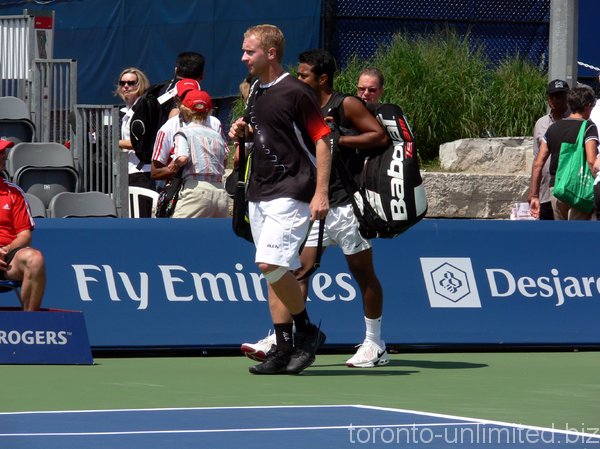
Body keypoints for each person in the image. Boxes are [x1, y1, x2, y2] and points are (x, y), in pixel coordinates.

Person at [241, 49, 390, 368]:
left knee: (362, 274)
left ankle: (375, 344)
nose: (299, 79)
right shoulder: (299, 103)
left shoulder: (345, 103)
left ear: (322, 79)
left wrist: (341, 140)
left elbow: (379, 136)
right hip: (312, 204)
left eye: (305, 74)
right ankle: (286, 337)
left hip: (345, 205)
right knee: (295, 270)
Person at [229, 24, 331, 375]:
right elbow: (263, 129)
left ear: (270, 53)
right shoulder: (256, 90)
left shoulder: (297, 92)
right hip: (259, 192)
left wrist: (320, 192)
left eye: (249, 51)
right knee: (276, 271)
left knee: (270, 265)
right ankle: (283, 347)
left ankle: (306, 331)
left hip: (292, 191)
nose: (243, 57)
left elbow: (322, 139)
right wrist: (241, 129)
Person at [529, 84, 599, 220]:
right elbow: (591, 161)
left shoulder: (553, 128)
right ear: (587, 106)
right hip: (579, 188)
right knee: (578, 234)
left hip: (556, 189)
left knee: (561, 234)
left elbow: (538, 164)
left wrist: (535, 195)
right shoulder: (588, 127)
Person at [0, 139, 46, 311]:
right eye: (0, 153)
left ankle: (29, 325)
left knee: (35, 259)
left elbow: (24, 235)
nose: (4, 156)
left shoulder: (14, 193)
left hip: (8, 257)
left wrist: (5, 251)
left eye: (4, 153)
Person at [151, 78, 224, 185]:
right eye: (185, 97)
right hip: (184, 190)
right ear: (177, 100)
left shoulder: (215, 123)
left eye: (194, 95)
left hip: (214, 187)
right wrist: (177, 166)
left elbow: (224, 159)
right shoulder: (168, 128)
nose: (190, 100)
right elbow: (155, 173)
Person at [168, 90, 229, 218]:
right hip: (219, 191)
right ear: (209, 111)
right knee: (214, 236)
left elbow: (183, 158)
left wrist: (175, 163)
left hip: (196, 189)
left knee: (177, 233)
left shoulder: (183, 132)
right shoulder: (217, 134)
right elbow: (225, 159)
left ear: (185, 110)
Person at [115, 67, 156, 216]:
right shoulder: (125, 111)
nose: (126, 86)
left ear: (140, 84)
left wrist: (114, 142)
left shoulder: (145, 108)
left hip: (142, 173)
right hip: (126, 171)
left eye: (131, 82)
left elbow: (142, 143)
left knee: (141, 219)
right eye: (123, 82)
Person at [530, 79, 570, 220]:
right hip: (544, 191)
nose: (554, 99)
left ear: (567, 97)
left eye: (558, 96)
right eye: (551, 96)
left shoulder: (574, 122)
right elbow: (537, 159)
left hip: (567, 190)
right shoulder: (541, 123)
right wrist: (533, 192)